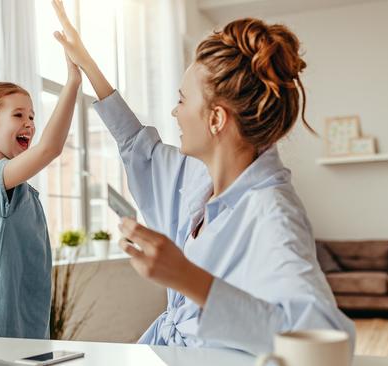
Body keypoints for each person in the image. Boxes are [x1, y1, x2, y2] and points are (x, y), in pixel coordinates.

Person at [51, 0, 354, 354]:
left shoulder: (272, 213)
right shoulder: (198, 178)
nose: (174, 112)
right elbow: (137, 145)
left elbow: (324, 340)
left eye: (182, 100)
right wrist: (88, 65)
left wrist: (186, 276)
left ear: (216, 119)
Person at [0, 53, 81, 339]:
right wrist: (72, 82)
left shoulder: (23, 191)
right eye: (18, 115)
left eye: (32, 115)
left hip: (21, 325)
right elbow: (49, 148)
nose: (30, 123)